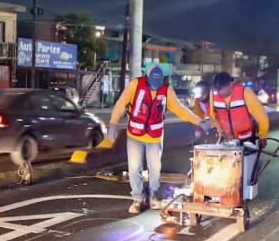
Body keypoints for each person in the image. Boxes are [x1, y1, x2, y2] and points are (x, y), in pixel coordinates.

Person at [108, 65, 205, 213]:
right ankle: (137, 199)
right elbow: (121, 104)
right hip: (135, 134)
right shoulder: (135, 85)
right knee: (135, 168)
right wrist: (113, 125)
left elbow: (180, 109)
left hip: (155, 135)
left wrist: (198, 121)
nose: (154, 87)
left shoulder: (166, 91)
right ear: (147, 78)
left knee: (155, 169)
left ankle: (153, 196)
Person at [208, 72, 270, 143]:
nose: (220, 92)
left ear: (231, 84)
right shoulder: (213, 94)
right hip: (228, 140)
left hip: (246, 140)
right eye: (218, 89)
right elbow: (214, 116)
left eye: (222, 89)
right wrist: (221, 132)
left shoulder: (245, 92)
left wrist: (263, 135)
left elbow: (260, 115)